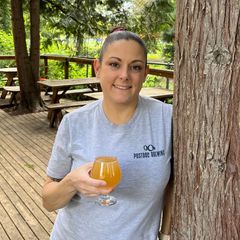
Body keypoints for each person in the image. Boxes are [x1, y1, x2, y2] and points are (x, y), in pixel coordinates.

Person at [42, 29, 173, 240]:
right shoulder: (74, 123)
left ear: (145, 73)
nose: (124, 75)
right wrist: (71, 183)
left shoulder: (167, 120)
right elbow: (48, 201)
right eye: (114, 64)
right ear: (97, 67)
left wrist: (166, 233)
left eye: (135, 67)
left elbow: (175, 184)